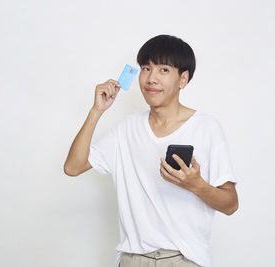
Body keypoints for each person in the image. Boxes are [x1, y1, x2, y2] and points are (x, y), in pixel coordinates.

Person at [64, 34, 239, 267]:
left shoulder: (207, 128)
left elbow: (231, 204)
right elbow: (73, 167)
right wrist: (97, 111)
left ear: (183, 79)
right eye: (146, 68)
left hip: (184, 259)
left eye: (164, 70)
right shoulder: (127, 128)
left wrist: (196, 184)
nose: (151, 78)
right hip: (132, 259)